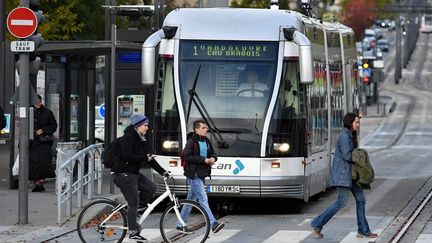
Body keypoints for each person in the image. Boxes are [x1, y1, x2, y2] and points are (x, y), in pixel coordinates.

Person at [311, 112, 378, 239]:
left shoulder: (349, 135)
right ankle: (317, 224)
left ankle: (363, 230)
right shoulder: (344, 137)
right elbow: (347, 156)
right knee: (340, 203)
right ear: (350, 123)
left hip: (350, 175)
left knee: (361, 200)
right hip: (343, 175)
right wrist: (361, 155)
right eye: (356, 122)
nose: (358, 125)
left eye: (358, 122)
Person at [111, 113, 168, 241]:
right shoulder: (129, 138)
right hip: (123, 174)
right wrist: (144, 158)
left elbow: (149, 159)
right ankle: (133, 231)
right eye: (145, 125)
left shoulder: (141, 138)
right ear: (137, 126)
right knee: (133, 203)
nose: (147, 128)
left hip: (132, 173)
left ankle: (134, 209)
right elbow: (126, 156)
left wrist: (163, 172)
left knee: (151, 188)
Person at [178, 119, 225, 234]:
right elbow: (187, 156)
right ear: (197, 129)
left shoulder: (206, 141)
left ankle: (180, 224)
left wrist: (213, 158)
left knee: (190, 200)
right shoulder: (191, 141)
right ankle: (213, 223)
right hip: (193, 174)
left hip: (202, 173)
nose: (206, 129)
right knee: (203, 199)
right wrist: (204, 160)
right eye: (203, 128)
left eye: (206, 128)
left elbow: (213, 153)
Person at [29, 95, 58, 192]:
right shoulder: (29, 111)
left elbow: (54, 125)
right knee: (33, 164)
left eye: (39, 101)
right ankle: (36, 183)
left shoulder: (47, 112)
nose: (38, 103)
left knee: (43, 163)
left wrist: (43, 130)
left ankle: (40, 183)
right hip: (32, 143)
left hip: (43, 142)